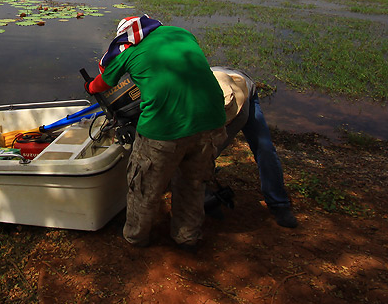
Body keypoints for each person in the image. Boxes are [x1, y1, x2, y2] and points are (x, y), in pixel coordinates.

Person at [85, 15, 226, 250]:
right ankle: (187, 236)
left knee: (143, 185)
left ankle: (136, 237)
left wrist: (89, 86)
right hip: (211, 120)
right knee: (192, 183)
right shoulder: (181, 33)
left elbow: (103, 83)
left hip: (163, 129)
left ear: (126, 38)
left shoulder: (128, 52)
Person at [211, 67, 298, 228]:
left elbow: (213, 147)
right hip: (220, 83)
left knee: (263, 148)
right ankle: (203, 190)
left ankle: (279, 203)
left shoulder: (237, 111)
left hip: (242, 93)